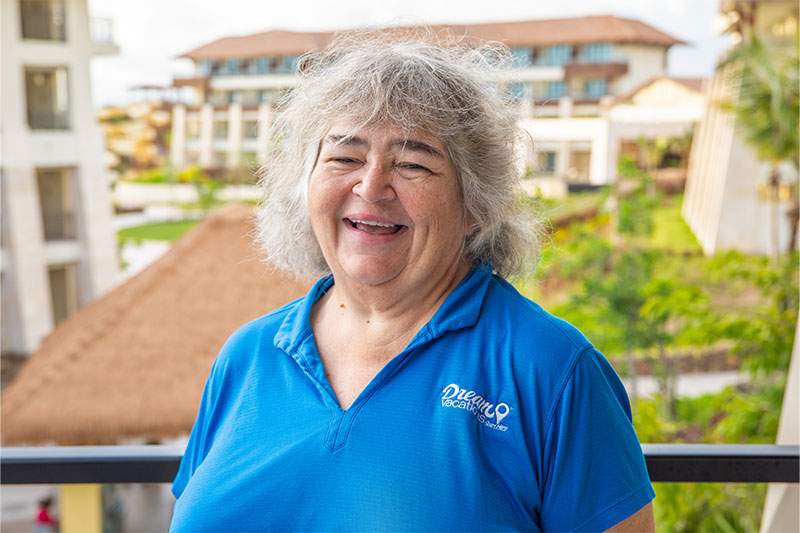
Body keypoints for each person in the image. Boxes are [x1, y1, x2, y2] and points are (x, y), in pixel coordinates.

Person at [170, 33, 655, 532]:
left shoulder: (550, 371)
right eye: (344, 157)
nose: (371, 186)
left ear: (474, 205)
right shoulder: (247, 357)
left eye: (412, 163)